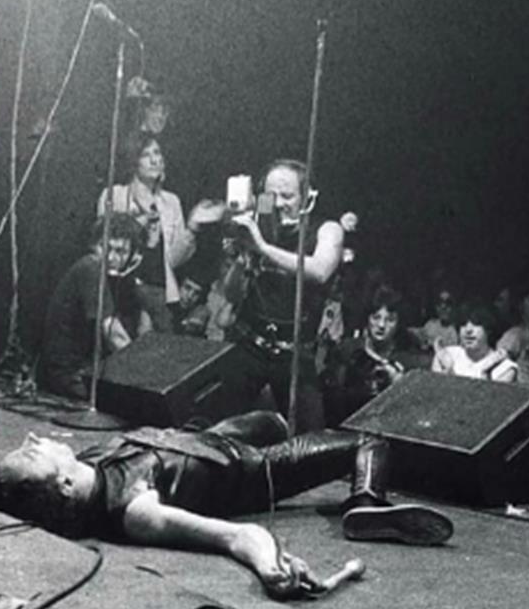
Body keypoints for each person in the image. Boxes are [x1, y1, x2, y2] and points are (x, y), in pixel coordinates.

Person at [0, 411, 455, 600]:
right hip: (253, 472)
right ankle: (364, 501)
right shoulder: (135, 510)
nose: (34, 439)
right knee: (368, 441)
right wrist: (271, 567)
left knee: (271, 417)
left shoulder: (81, 469)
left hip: (206, 440)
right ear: (63, 490)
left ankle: (273, 430)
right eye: (33, 453)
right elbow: (235, 536)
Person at [226, 160, 346, 432]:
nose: (278, 204)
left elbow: (320, 270)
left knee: (310, 441)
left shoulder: (328, 230)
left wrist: (262, 247)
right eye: (271, 196)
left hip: (294, 356)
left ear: (308, 197)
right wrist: (242, 257)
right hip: (247, 345)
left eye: (288, 196)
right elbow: (232, 294)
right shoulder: (258, 229)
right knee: (218, 429)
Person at [96, 133, 225, 332]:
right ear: (134, 161)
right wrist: (142, 222)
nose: (156, 159)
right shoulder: (115, 195)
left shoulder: (171, 201)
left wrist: (192, 227)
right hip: (122, 293)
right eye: (146, 155)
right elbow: (105, 247)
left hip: (160, 295)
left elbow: (173, 260)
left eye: (157, 152)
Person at [39, 213, 151, 401]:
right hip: (69, 373)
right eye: (106, 248)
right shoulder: (90, 268)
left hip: (85, 371)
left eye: (120, 251)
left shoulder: (121, 281)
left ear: (134, 256)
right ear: (96, 245)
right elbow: (114, 334)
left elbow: (144, 329)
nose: (111, 257)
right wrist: (146, 378)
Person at [323, 284, 423, 423]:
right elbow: (332, 403)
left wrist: (399, 384)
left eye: (390, 320)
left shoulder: (407, 358)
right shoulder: (347, 351)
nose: (381, 325)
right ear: (367, 318)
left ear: (399, 323)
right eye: (376, 317)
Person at [431, 304, 518, 383]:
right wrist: (448, 369)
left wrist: (485, 373)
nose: (468, 330)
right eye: (463, 324)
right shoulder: (447, 355)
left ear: (488, 329)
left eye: (476, 323)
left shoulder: (505, 367)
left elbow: (485, 399)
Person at [407, 275, 460, 352]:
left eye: (448, 303)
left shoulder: (453, 333)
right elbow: (419, 334)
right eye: (439, 303)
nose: (443, 307)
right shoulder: (431, 324)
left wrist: (430, 345)